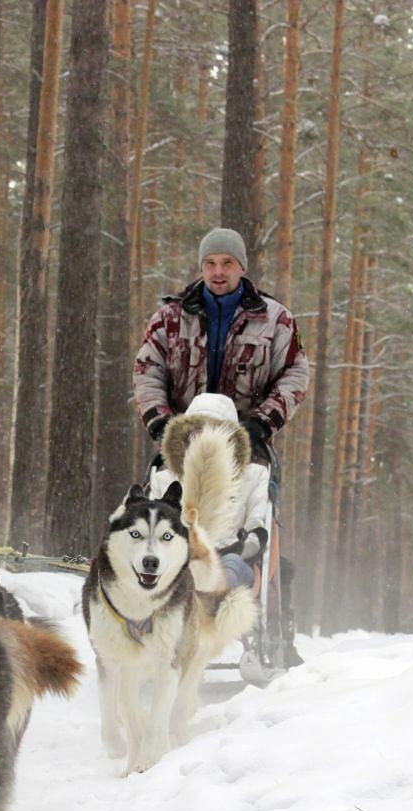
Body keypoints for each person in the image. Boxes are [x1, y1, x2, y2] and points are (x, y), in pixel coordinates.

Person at [133, 227, 310, 596]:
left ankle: (260, 592)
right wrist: (160, 419)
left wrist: (265, 420)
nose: (217, 272)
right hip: (183, 441)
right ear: (201, 267)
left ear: (241, 267)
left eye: (227, 263)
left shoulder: (276, 319)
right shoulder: (170, 317)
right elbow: (148, 370)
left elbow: (294, 374)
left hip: (247, 439)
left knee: (257, 512)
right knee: (167, 509)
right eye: (210, 263)